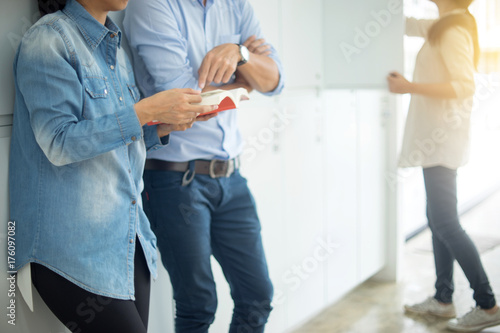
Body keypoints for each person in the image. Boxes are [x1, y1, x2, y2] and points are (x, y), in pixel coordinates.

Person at [10, 0, 217, 332]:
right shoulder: (48, 40)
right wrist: (144, 111)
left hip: (127, 239)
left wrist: (161, 126)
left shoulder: (116, 49)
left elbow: (117, 140)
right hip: (71, 250)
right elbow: (60, 142)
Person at [123, 0, 284, 331]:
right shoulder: (151, 5)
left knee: (257, 295)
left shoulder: (236, 6)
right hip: (174, 180)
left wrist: (240, 53)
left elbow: (275, 81)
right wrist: (247, 78)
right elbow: (183, 97)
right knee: (198, 304)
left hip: (231, 176)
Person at [387, 0, 500, 331]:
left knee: (445, 223)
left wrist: (409, 87)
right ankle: (443, 299)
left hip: (441, 138)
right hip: (434, 140)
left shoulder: (452, 30)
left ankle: (488, 304)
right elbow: (403, 22)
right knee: (437, 220)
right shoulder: (444, 24)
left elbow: (465, 86)